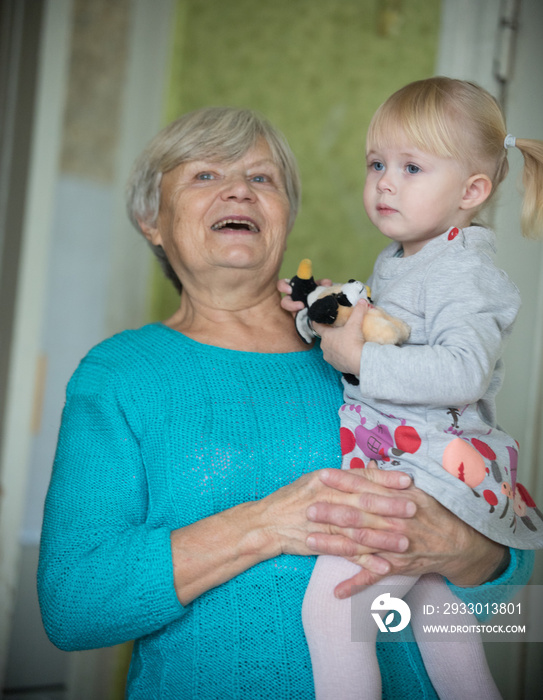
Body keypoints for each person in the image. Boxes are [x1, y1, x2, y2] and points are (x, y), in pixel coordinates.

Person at [37, 106, 534, 700]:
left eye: (262, 178)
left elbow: (514, 605)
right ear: (153, 220)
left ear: (285, 215)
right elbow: (73, 606)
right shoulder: (120, 376)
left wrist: (466, 554)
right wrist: (263, 525)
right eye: (204, 176)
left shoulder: (363, 344)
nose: (239, 192)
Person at [281, 78, 543, 700]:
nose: (385, 182)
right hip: (411, 458)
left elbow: (462, 370)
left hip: (432, 465)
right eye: (377, 163)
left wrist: (363, 359)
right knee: (433, 611)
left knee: (330, 613)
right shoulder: (405, 257)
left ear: (472, 191)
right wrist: (315, 308)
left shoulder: (465, 272)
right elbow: (373, 322)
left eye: (411, 167)